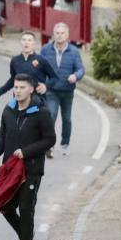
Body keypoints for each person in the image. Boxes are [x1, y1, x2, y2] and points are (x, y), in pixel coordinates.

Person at [0, 75, 56, 240]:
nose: (17, 90)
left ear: (31, 89)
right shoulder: (9, 110)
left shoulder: (41, 112)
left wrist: (25, 152)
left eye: (22, 87)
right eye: (16, 87)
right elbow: (2, 135)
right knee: (6, 207)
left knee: (26, 210)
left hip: (31, 169)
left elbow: (49, 140)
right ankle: (26, 235)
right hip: (11, 169)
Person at [40, 22, 85, 157]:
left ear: (67, 35)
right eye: (57, 33)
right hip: (51, 90)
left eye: (62, 33)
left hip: (67, 90)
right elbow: (39, 66)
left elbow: (81, 69)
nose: (59, 36)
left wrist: (75, 76)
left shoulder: (73, 51)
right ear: (53, 35)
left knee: (66, 119)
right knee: (51, 115)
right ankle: (50, 145)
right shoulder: (46, 49)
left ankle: (65, 144)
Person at [0, 31, 56, 102]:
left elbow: (54, 78)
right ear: (20, 42)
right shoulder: (15, 60)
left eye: (29, 40)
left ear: (34, 43)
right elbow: (13, 80)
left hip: (37, 100)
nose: (26, 43)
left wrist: (46, 86)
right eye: (24, 40)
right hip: (19, 101)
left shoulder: (41, 60)